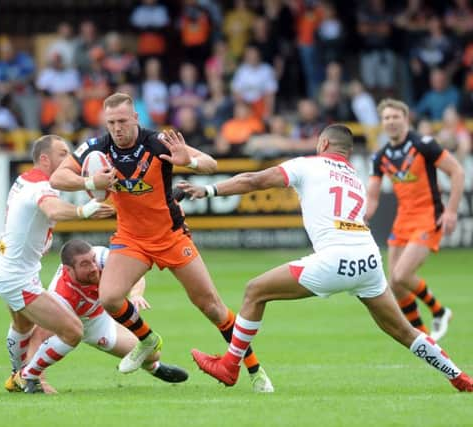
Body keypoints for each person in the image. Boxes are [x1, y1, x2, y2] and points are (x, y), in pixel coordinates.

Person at [180, 124, 472, 393]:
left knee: (254, 291)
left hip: (336, 259)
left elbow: (255, 180)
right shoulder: (354, 179)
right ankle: (458, 376)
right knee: (404, 331)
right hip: (369, 260)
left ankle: (230, 366)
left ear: (324, 143)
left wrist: (208, 190)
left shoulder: (308, 165)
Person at [50, 92, 274, 393]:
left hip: (170, 236)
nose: (117, 128)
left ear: (136, 119)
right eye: (111, 122)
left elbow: (210, 163)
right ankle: (147, 339)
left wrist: (189, 160)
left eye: (122, 121)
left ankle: (255, 371)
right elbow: (57, 178)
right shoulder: (96, 148)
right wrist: (90, 183)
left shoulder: (157, 142)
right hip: (131, 239)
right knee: (110, 297)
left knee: (212, 307)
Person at [0, 134, 115, 393]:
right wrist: (84, 209)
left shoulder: (26, 179)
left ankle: (17, 374)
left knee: (23, 326)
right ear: (44, 159)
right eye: (62, 154)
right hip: (16, 276)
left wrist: (88, 188)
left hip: (7, 265)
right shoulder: (39, 187)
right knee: (73, 331)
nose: (68, 158)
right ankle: (28, 376)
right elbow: (53, 210)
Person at [6, 239, 188, 394]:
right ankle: (24, 377)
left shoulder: (102, 257)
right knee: (42, 333)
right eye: (85, 265)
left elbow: (135, 274)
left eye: (92, 260)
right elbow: (38, 337)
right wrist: (40, 381)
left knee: (153, 354)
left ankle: (153, 367)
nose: (93, 268)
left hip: (98, 320)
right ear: (68, 270)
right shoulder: (60, 297)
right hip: (76, 325)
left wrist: (135, 295)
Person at [366, 99, 465, 341]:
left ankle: (440, 311)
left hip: (428, 217)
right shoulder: (380, 157)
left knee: (401, 275)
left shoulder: (424, 144)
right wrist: (362, 218)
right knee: (395, 285)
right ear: (382, 123)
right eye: (386, 118)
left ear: (405, 118)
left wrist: (450, 212)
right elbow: (372, 196)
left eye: (395, 116)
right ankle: (424, 338)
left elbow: (457, 172)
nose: (390, 121)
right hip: (403, 220)